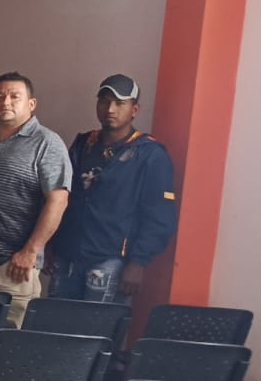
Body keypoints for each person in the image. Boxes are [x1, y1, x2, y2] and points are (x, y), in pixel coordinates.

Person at [49, 74, 177, 304]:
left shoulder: (149, 153)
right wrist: (51, 245)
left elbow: (159, 216)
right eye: (104, 101)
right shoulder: (83, 144)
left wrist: (138, 263)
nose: (110, 109)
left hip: (111, 260)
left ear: (134, 110)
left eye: (119, 103)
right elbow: (61, 198)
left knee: (98, 325)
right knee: (57, 322)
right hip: (68, 255)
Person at [0, 72, 73, 326]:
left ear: (31, 104)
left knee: (8, 339)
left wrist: (30, 252)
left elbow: (58, 201)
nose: (6, 102)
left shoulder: (47, 143)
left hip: (15, 266)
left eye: (15, 96)